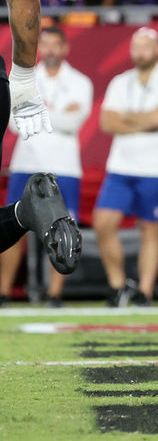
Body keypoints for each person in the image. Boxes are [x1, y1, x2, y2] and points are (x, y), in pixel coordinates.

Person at [0, 26, 92, 306]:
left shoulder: (80, 81)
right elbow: (13, 122)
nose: (50, 50)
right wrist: (56, 114)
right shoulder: (25, 78)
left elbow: (73, 122)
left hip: (63, 165)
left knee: (62, 227)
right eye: (46, 44)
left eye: (55, 44)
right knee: (10, 224)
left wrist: (36, 112)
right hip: (25, 161)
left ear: (65, 48)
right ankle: (4, 291)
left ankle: (55, 294)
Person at [94, 28, 158, 306]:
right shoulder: (121, 82)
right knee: (103, 223)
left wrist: (126, 118)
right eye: (136, 47)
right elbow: (106, 123)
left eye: (146, 47)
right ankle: (118, 285)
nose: (140, 53)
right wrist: (143, 121)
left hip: (156, 166)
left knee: (150, 228)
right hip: (121, 164)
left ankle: (144, 290)